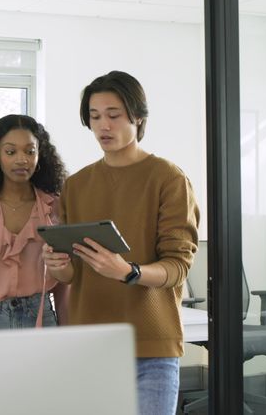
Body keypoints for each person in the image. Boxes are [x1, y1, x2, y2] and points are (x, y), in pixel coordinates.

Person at [43, 71, 199, 415]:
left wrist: (129, 272)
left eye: (114, 115)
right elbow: (74, 275)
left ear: (138, 116)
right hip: (90, 344)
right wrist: (61, 267)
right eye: (95, 116)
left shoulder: (169, 178)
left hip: (150, 346)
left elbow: (178, 267)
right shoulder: (77, 185)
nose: (103, 126)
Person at [0, 114, 68, 330]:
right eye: (11, 152)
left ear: (39, 155)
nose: (22, 159)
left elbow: (65, 283)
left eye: (30, 151)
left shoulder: (56, 208)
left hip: (42, 318)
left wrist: (70, 332)